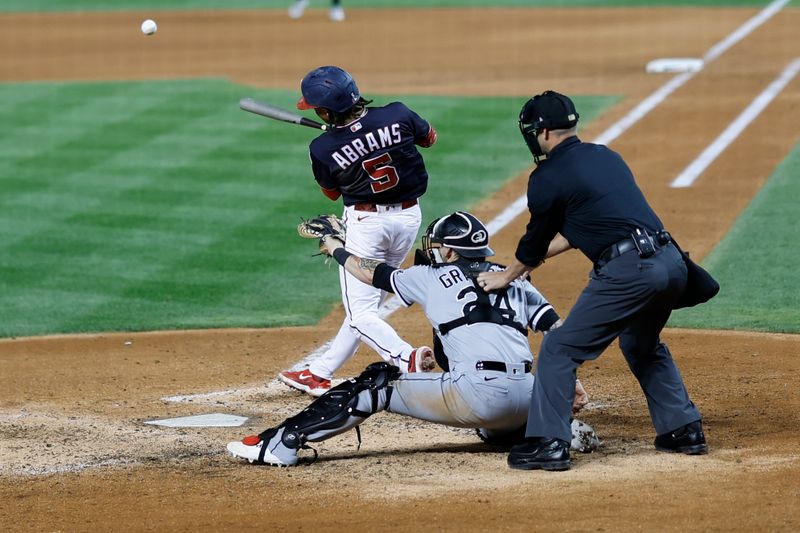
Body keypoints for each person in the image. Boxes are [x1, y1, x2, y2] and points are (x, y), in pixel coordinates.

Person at [228, 212, 595, 467]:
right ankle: (548, 431)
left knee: (376, 381)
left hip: (480, 398)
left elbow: (372, 273)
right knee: (492, 403)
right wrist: (565, 384)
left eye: (437, 246)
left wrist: (336, 247)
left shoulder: (429, 276)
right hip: (533, 396)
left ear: (450, 252)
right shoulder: (515, 277)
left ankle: (280, 445)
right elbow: (558, 332)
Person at [478, 91, 708, 471]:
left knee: (559, 348)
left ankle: (548, 444)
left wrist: (508, 274)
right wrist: (527, 263)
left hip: (630, 271)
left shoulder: (546, 177)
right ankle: (684, 430)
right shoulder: (605, 156)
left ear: (544, 132)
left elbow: (534, 240)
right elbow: (583, 229)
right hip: (671, 263)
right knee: (640, 342)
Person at [278, 66, 438, 397]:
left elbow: (332, 193)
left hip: (367, 227)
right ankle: (319, 373)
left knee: (360, 312)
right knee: (368, 304)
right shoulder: (398, 112)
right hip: (409, 219)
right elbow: (430, 138)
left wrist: (348, 144)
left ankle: (406, 357)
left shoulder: (322, 147)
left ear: (324, 112)